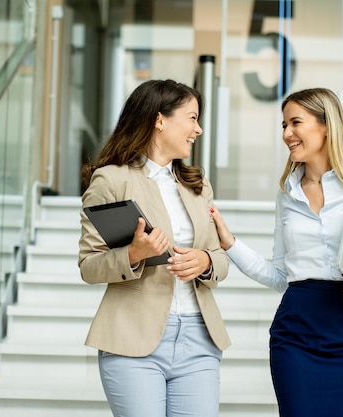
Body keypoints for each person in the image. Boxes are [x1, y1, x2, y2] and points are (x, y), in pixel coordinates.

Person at [210, 87, 343, 417]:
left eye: (295, 123)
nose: (287, 134)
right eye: (283, 125)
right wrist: (230, 243)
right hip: (296, 335)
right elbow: (279, 275)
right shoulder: (286, 195)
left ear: (326, 126)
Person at [78, 79, 230, 417]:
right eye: (192, 118)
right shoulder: (112, 180)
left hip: (198, 338)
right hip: (133, 338)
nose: (199, 129)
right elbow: (89, 265)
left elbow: (220, 259)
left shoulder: (196, 184)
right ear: (159, 119)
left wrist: (205, 261)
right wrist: (134, 254)